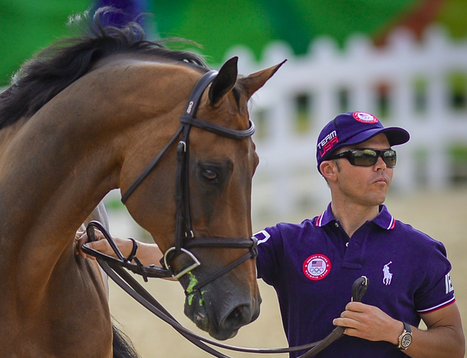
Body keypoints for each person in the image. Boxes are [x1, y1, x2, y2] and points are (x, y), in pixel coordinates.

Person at [76, 111, 465, 357]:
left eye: (388, 157)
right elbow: (201, 258)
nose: (381, 166)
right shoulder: (287, 242)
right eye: (365, 156)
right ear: (329, 170)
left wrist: (397, 333)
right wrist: (120, 247)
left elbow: (453, 345)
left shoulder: (423, 250)